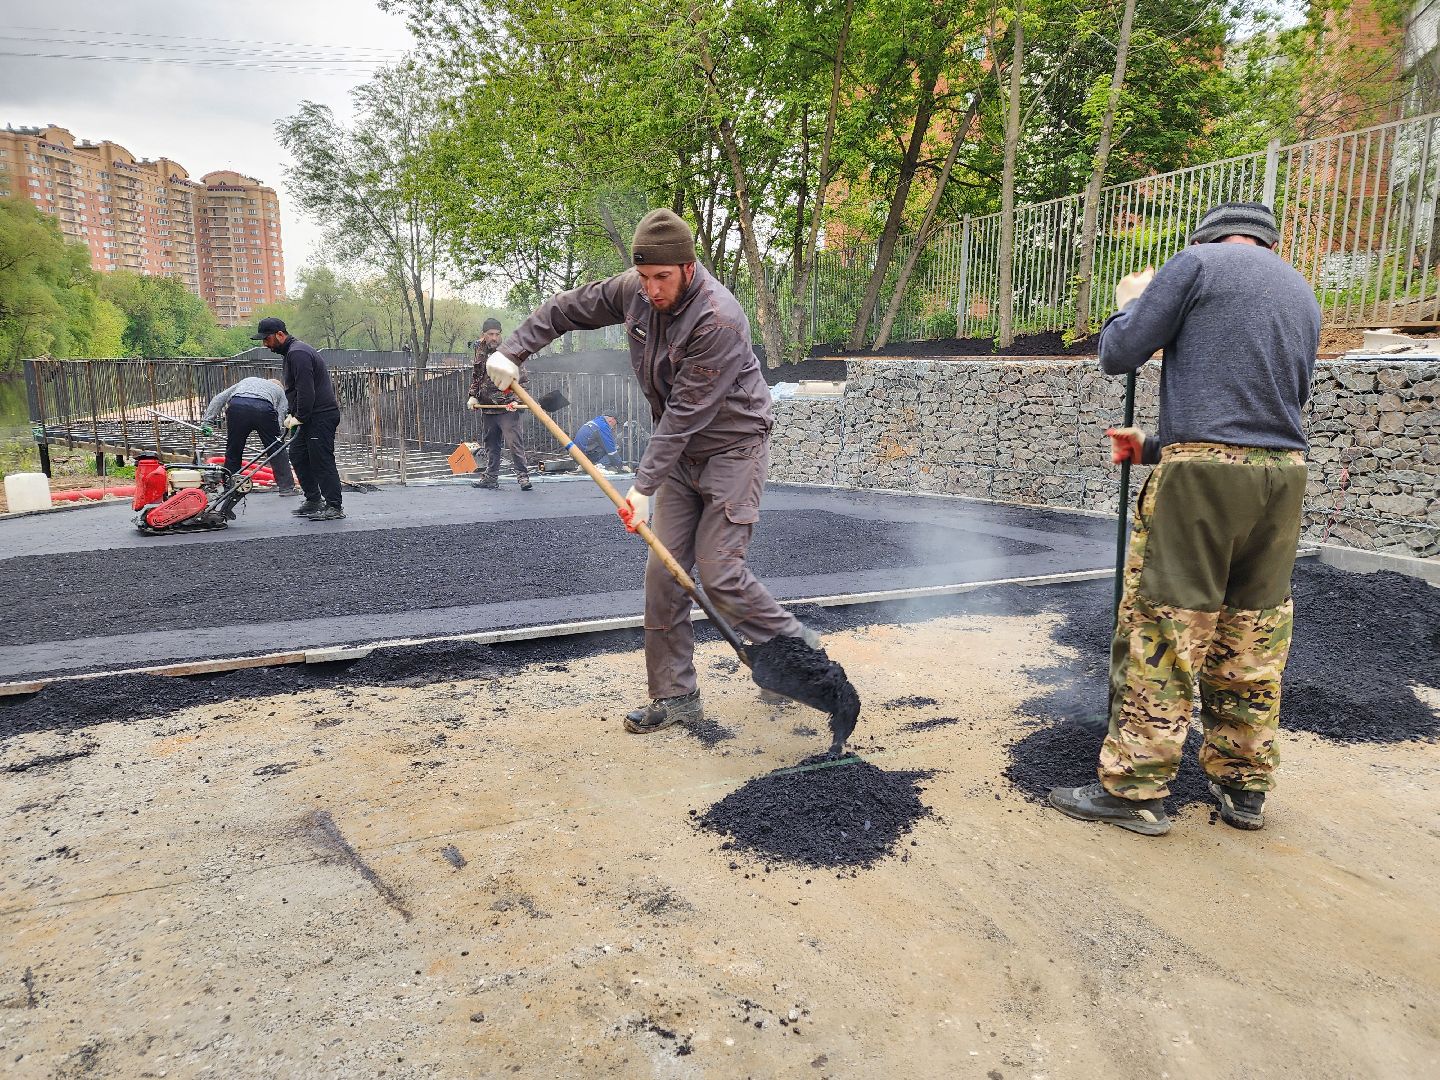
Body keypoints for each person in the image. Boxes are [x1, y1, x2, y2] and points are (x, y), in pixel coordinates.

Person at [484, 208, 819, 734]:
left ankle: (799, 655)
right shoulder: (635, 291)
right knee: (663, 575)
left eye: (661, 277)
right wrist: (513, 348)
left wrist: (642, 485)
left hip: (733, 448)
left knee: (719, 571)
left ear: (688, 268)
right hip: (679, 453)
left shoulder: (719, 318)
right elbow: (567, 309)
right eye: (643, 277)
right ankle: (676, 696)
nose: (651, 289)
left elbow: (688, 411)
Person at [1049, 201, 1320, 836]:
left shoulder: (1193, 265)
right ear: (1265, 239)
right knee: (1250, 636)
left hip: (1200, 486)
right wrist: (1149, 447)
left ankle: (1136, 790)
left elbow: (1118, 353)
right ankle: (1243, 789)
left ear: (1206, 234)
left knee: (1165, 628)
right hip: (1282, 481)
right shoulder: (1299, 289)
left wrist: (1130, 299)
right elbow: (1257, 411)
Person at [252, 316, 345, 522]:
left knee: (321, 459)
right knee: (298, 455)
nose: (265, 344)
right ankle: (313, 500)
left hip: (320, 415)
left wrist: (299, 417)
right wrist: (293, 415)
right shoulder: (292, 353)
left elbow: (306, 390)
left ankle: (334, 505)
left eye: (266, 339)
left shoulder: (298, 353)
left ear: (280, 334)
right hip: (307, 416)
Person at [199, 375, 298, 495]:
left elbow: (219, 398)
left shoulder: (246, 381)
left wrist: (207, 422)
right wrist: (276, 436)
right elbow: (280, 413)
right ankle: (286, 488)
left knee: (233, 450)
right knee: (276, 450)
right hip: (263, 409)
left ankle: (230, 487)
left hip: (237, 407)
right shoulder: (279, 391)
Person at [466, 317, 532, 491]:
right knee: (491, 445)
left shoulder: (510, 352)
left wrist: (517, 401)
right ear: (484, 335)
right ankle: (491, 478)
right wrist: (473, 396)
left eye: (497, 334)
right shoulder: (480, 349)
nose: (494, 337)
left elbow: (522, 379)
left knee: (514, 443)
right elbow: (477, 374)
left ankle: (523, 477)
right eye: (490, 334)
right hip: (488, 407)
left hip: (507, 407)